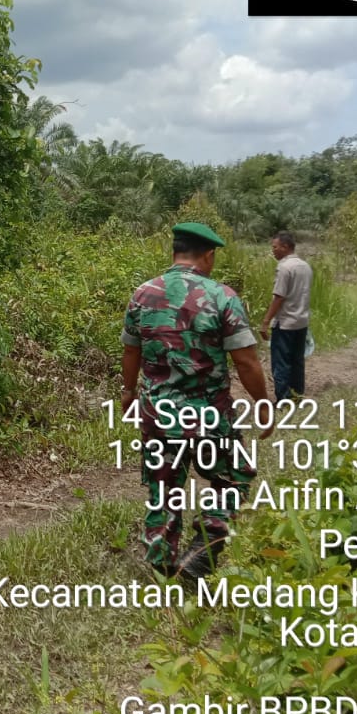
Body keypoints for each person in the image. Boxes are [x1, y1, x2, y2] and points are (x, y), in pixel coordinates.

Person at [120, 222, 273, 580]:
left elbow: (131, 349)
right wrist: (263, 401)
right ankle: (205, 544)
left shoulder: (143, 294)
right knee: (235, 476)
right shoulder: (222, 296)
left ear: (175, 253)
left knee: (164, 483)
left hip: (158, 412)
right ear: (208, 255)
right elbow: (246, 360)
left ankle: (161, 556)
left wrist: (128, 392)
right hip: (208, 413)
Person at [259, 231, 313, 402]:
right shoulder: (305, 266)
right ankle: (297, 396)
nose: (273, 251)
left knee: (281, 363)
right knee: (297, 361)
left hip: (285, 324)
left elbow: (279, 297)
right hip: (301, 322)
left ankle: (283, 400)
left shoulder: (284, 267)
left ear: (286, 247)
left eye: (275, 247)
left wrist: (266, 321)